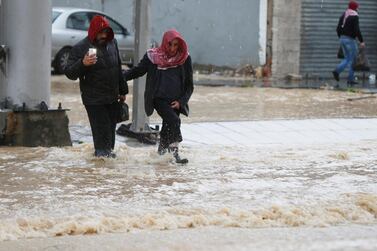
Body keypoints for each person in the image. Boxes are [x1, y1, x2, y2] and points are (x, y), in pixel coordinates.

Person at [123, 29, 193, 164]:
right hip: (158, 99)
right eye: (170, 44)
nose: (173, 49)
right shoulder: (153, 57)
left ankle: (161, 155)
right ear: (164, 43)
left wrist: (181, 102)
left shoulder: (184, 58)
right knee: (174, 121)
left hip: (176, 101)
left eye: (176, 45)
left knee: (167, 127)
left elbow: (190, 85)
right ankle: (175, 155)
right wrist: (121, 77)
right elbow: (138, 71)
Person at [64, 15, 128, 158]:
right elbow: (69, 73)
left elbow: (118, 67)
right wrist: (83, 63)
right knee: (101, 133)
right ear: (93, 31)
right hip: (94, 100)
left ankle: (106, 171)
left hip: (112, 97)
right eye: (100, 32)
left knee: (110, 134)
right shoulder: (80, 48)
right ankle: (100, 166)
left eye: (106, 32)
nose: (103, 36)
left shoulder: (113, 43)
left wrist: (123, 90)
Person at [332, 0, 365, 87]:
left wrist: (341, 37)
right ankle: (349, 79)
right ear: (355, 7)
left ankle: (337, 71)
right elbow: (356, 30)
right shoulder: (354, 16)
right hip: (350, 40)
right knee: (353, 59)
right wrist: (361, 41)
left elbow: (338, 28)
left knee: (347, 58)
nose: (358, 8)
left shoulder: (344, 14)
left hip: (342, 39)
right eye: (357, 7)